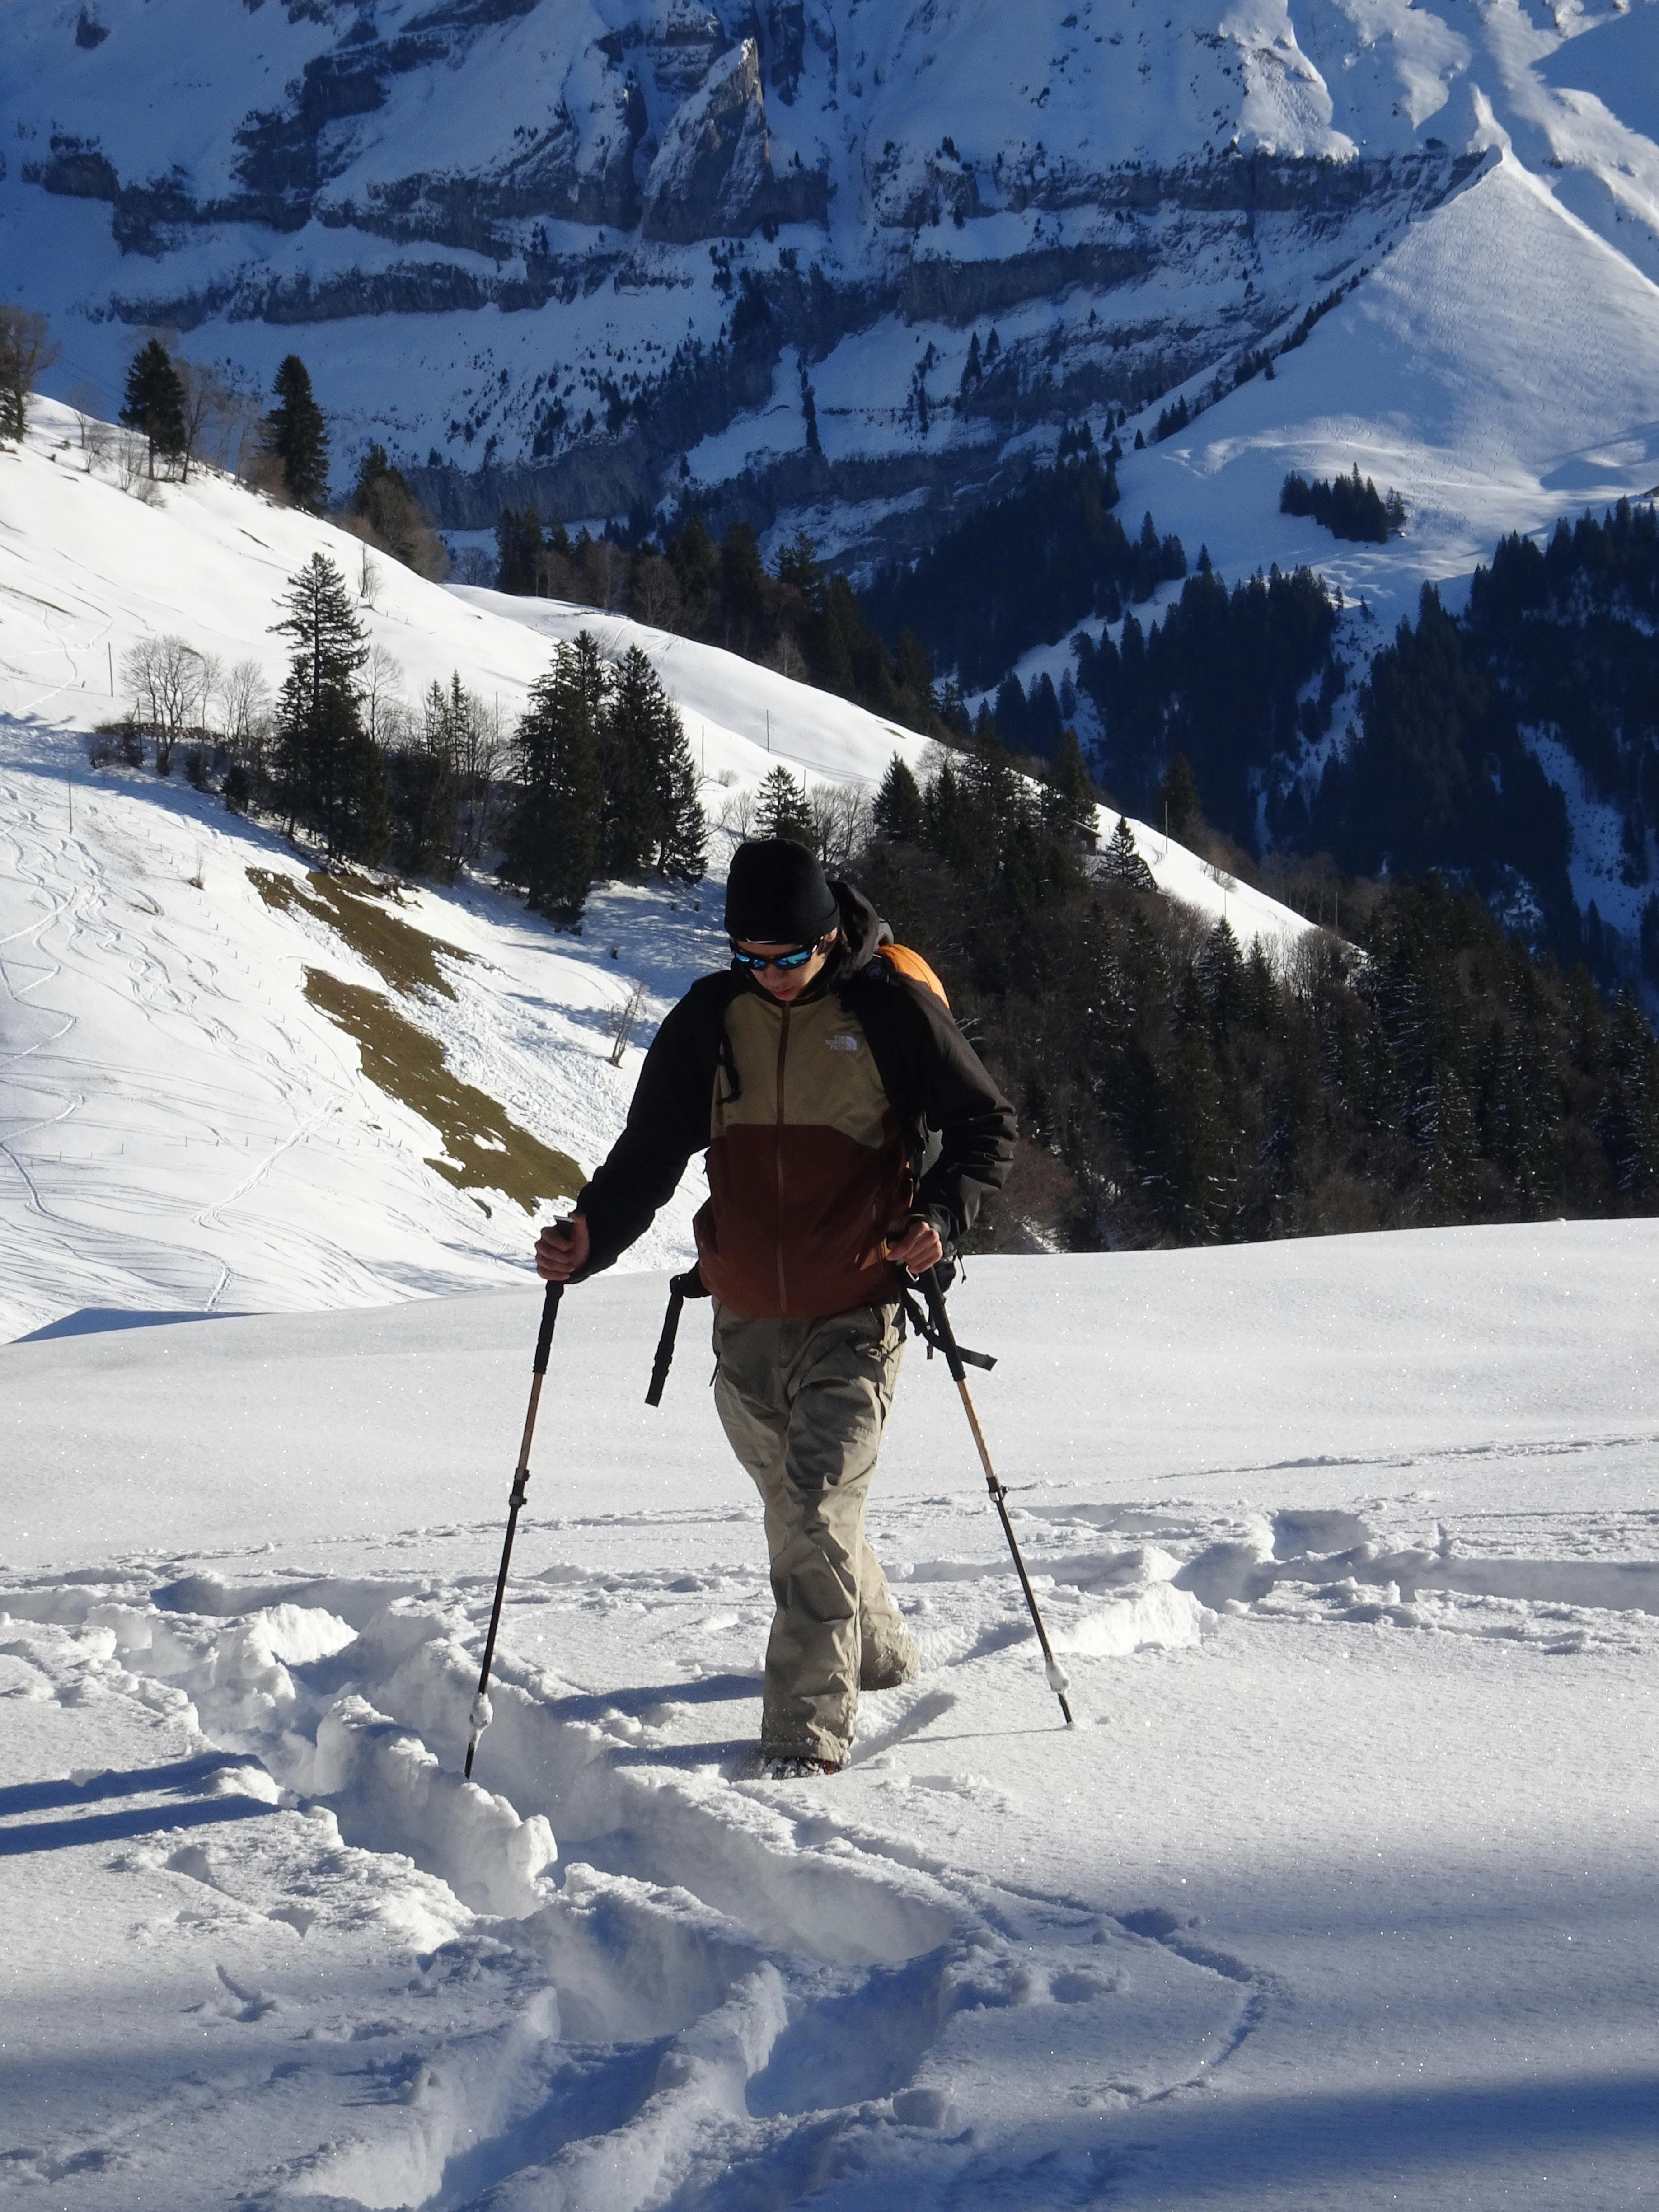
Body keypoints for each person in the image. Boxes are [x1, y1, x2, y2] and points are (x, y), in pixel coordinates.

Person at [536, 837, 1016, 1777]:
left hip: (858, 1309)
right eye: (751, 960)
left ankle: (804, 1744)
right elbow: (648, 1157)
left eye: (790, 959)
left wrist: (940, 1222)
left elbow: (986, 1125)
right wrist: (591, 1237)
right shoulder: (712, 1021)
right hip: (745, 1318)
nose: (773, 977)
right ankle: (878, 1653)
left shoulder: (887, 1011)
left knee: (814, 1513)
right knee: (801, 1517)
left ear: (831, 936)